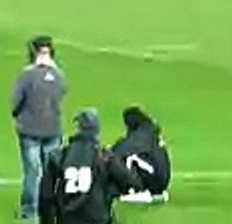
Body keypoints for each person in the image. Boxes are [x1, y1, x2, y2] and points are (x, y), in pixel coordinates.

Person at [39, 109, 140, 224]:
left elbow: (45, 194)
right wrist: (110, 191)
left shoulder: (60, 155)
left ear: (78, 128)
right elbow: (132, 182)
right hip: (97, 218)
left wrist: (47, 220)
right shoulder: (105, 156)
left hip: (67, 218)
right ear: (97, 130)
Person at [12, 36, 67, 221]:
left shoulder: (26, 75)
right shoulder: (59, 76)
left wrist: (20, 115)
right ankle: (52, 208)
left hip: (30, 130)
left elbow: (15, 102)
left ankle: (29, 210)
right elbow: (61, 95)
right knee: (52, 172)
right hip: (53, 129)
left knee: (32, 172)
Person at [111, 107, 171, 204]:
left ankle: (135, 190)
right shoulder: (149, 131)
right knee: (129, 157)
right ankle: (153, 190)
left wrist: (106, 153)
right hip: (161, 178)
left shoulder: (142, 134)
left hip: (155, 178)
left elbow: (121, 150)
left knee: (127, 158)